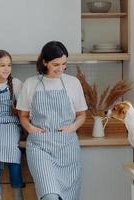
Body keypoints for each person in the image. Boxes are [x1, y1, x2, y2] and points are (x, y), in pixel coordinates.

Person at [17, 41, 87, 200]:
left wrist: (72, 127)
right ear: (44, 62)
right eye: (56, 64)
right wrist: (31, 129)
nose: (61, 68)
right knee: (50, 196)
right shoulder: (31, 84)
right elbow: (23, 115)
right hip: (40, 147)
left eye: (64, 64)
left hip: (67, 148)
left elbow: (82, 114)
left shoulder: (72, 83)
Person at [0, 50, 24, 200]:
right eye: (2, 65)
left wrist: (17, 109)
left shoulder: (16, 83)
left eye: (9, 65)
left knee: (14, 153)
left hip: (11, 124)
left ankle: (17, 192)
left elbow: (24, 109)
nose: (6, 68)